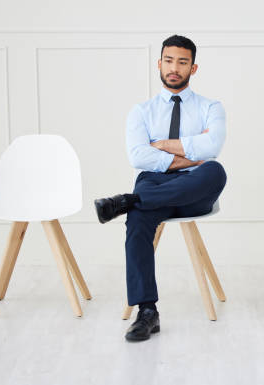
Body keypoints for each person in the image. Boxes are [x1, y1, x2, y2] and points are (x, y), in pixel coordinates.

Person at [94, 35, 227, 342]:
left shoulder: (211, 107)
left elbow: (213, 148)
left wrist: (163, 147)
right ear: (159, 64)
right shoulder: (141, 111)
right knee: (138, 222)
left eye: (182, 62)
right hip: (155, 183)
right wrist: (189, 153)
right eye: (169, 61)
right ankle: (147, 312)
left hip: (195, 187)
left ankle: (127, 201)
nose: (174, 68)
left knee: (215, 171)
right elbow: (138, 155)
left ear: (193, 68)